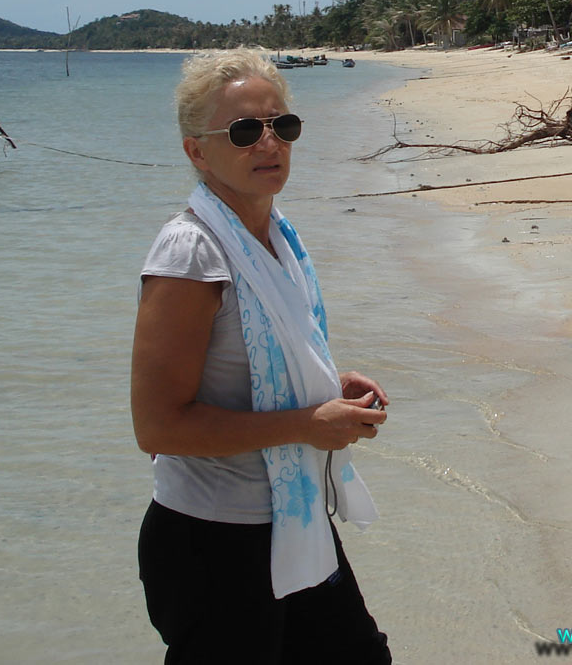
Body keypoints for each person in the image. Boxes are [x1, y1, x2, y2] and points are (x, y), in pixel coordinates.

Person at [132, 48, 391, 663]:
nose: (268, 144)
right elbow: (158, 426)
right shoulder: (192, 253)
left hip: (291, 520)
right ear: (197, 150)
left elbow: (263, 360)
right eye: (245, 131)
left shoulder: (276, 235)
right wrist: (307, 423)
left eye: (283, 126)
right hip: (213, 544)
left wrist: (327, 386)